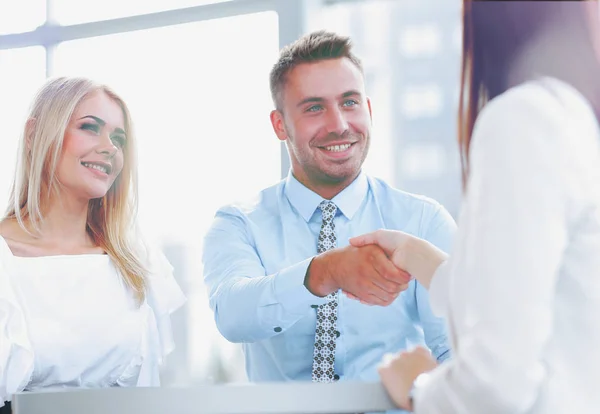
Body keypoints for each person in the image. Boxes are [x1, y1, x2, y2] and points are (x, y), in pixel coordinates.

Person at [350, 1, 600, 413]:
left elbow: (495, 384)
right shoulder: (574, 124)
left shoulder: (527, 119)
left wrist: (420, 389)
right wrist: (420, 259)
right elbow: (549, 297)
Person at [202, 30, 454, 385]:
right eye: (315, 108)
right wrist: (325, 272)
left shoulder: (423, 221)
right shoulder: (239, 223)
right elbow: (232, 314)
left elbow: (459, 350)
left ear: (368, 109)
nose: (338, 125)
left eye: (350, 103)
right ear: (279, 125)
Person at [0, 77, 186, 412]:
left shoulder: (136, 263)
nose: (110, 148)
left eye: (119, 138)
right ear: (33, 135)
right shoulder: (5, 260)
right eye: (90, 127)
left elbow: (146, 394)